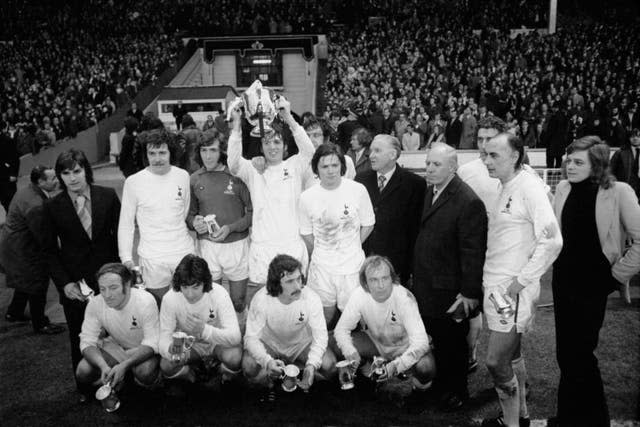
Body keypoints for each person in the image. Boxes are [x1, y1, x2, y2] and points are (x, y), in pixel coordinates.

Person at [548, 137, 640, 427]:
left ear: (597, 164)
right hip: (563, 283)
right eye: (568, 160)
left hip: (594, 285)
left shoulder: (619, 191)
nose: (569, 165)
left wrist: (616, 276)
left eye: (578, 162)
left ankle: (595, 419)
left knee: (582, 354)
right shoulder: (562, 188)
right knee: (566, 354)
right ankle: (568, 417)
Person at [480, 133, 562, 427]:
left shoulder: (528, 187)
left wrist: (522, 280)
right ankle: (520, 417)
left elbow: (552, 241)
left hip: (510, 291)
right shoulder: (508, 184)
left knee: (495, 361)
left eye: (494, 156)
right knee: (512, 355)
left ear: (515, 156)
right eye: (485, 155)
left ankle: (512, 424)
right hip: (496, 287)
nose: (487, 161)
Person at [41, 149, 121, 402]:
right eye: (66, 173)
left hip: (110, 279)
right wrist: (64, 284)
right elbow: (48, 251)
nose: (72, 178)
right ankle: (85, 387)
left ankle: (121, 377)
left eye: (76, 171)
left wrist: (122, 277)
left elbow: (120, 238)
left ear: (86, 170)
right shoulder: (52, 207)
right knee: (80, 333)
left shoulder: (107, 197)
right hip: (76, 284)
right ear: (60, 177)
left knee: (116, 330)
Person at [412, 143, 487, 412]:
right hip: (427, 285)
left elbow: (473, 252)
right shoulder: (430, 190)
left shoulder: (468, 201)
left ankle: (457, 392)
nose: (429, 168)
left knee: (453, 345)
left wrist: (468, 294)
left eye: (436, 165)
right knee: (439, 343)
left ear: (453, 168)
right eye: (428, 163)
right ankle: (440, 388)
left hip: (450, 291)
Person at [227, 96, 313, 304]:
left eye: (277, 142)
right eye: (266, 142)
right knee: (261, 302)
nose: (272, 147)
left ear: (284, 146)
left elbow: (309, 151)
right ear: (260, 146)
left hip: (292, 245)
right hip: (262, 247)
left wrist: (289, 119)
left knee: (294, 301)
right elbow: (233, 163)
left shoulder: (295, 165)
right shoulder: (252, 169)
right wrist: (237, 125)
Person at [299, 144, 375, 326]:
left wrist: (352, 244)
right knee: (323, 318)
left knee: (357, 320)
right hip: (322, 269)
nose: (330, 171)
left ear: (342, 165)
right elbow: (307, 233)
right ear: (316, 168)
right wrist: (325, 248)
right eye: (324, 166)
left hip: (353, 267)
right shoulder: (307, 197)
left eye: (335, 165)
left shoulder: (358, 190)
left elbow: (368, 224)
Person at [334, 255, 435, 391]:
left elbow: (421, 342)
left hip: (405, 346)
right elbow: (341, 330)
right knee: (335, 344)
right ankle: (367, 367)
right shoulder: (359, 295)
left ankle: (418, 390)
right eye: (374, 280)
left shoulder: (404, 298)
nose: (381, 285)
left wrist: (395, 367)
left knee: (426, 367)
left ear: (392, 278)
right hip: (377, 343)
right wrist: (351, 352)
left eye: (385, 278)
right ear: (365, 283)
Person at [118, 129, 195, 307]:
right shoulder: (133, 182)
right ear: (146, 155)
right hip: (152, 258)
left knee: (187, 306)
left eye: (162, 152)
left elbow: (183, 213)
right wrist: (126, 257)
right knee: (160, 308)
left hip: (182, 252)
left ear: (171, 153)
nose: (157, 158)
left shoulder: (182, 176)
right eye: (152, 153)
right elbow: (126, 224)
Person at [242, 254, 336, 393]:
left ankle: (300, 375)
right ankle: (272, 380)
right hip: (270, 344)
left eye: (298, 279)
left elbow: (320, 336)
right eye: (289, 281)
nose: (298, 286)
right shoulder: (261, 299)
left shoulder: (311, 298)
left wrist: (311, 365)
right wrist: (267, 361)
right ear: (275, 284)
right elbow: (250, 338)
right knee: (249, 366)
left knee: (330, 365)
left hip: (301, 345)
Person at [187, 129, 252, 325]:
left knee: (238, 301)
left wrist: (231, 228)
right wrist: (195, 223)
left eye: (213, 150)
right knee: (213, 301)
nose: (208, 155)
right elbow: (190, 215)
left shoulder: (237, 176)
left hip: (237, 245)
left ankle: (240, 334)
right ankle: (218, 339)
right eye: (204, 150)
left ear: (222, 151)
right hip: (208, 247)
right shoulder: (195, 178)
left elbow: (252, 213)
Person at [76, 263, 160, 395]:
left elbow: (152, 343)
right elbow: (87, 341)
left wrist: (125, 365)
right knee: (83, 370)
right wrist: (103, 366)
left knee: (145, 372)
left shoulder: (145, 301)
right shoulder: (95, 303)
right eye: (102, 289)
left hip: (143, 348)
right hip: (118, 347)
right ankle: (119, 377)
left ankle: (157, 384)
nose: (107, 295)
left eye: (113, 288)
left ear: (127, 285)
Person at [159, 254, 242, 388]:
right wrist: (169, 349)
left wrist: (203, 330)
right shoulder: (170, 298)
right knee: (167, 364)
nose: (190, 294)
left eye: (195, 287)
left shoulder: (219, 293)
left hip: (217, 342)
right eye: (185, 287)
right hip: (190, 344)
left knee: (234, 356)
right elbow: (164, 336)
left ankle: (221, 374)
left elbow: (235, 337)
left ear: (205, 283)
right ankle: (191, 375)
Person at [0, 166, 64, 334]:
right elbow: (43, 238)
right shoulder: (36, 204)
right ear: (41, 182)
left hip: (14, 247)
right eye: (53, 179)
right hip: (23, 250)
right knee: (38, 282)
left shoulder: (27, 190)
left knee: (25, 281)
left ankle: (14, 313)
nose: (57, 181)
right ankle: (41, 323)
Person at [355, 134, 426, 286]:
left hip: (396, 266)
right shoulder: (361, 180)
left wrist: (411, 268)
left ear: (393, 154)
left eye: (377, 151)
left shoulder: (414, 184)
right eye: (371, 151)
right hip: (363, 261)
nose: (371, 155)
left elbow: (415, 231)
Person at [301, 118, 356, 189]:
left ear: (326, 138)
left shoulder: (346, 161)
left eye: (316, 135)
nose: (310, 140)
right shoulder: (300, 165)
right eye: (307, 136)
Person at [609, 127, 640, 200]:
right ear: (629, 138)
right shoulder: (620, 153)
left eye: (638, 136)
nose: (635, 138)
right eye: (632, 136)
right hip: (625, 188)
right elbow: (610, 170)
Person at [0, 126, 20, 212]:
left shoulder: (7, 141)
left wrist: (13, 174)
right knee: (4, 202)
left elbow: (15, 159)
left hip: (8, 178)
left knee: (12, 203)